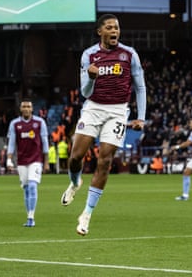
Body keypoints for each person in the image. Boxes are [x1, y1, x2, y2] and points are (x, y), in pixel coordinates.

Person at [60, 13, 146, 236]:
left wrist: (141, 117)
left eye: (116, 27)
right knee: (76, 156)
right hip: (93, 107)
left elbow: (140, 87)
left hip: (118, 111)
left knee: (105, 160)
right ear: (100, 32)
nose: (114, 31)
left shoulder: (129, 55)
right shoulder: (89, 55)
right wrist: (91, 77)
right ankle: (75, 182)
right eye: (109, 27)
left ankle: (86, 214)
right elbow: (85, 92)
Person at [6, 99, 50, 227]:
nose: (26, 108)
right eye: (24, 106)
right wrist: (9, 159)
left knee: (32, 186)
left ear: (32, 109)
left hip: (36, 160)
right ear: (20, 109)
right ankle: (28, 216)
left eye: (28, 106)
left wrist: (46, 162)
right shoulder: (14, 124)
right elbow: (12, 143)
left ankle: (31, 217)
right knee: (26, 188)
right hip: (21, 161)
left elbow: (45, 142)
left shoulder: (39, 122)